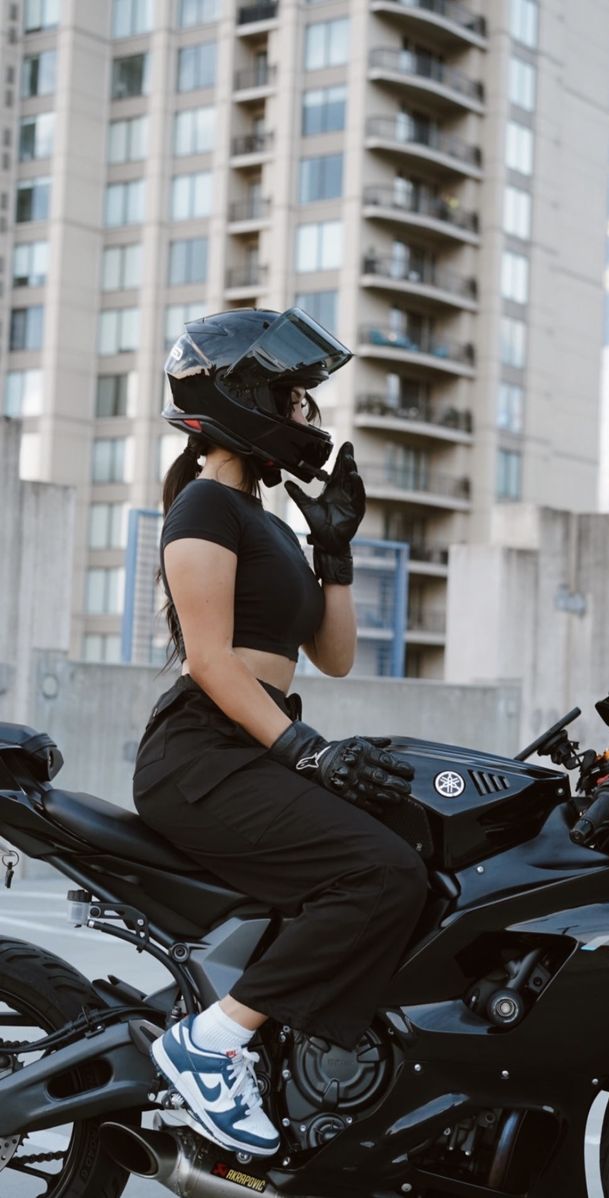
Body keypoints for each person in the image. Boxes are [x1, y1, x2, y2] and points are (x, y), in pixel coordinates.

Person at [133, 307, 428, 1158]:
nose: (309, 417)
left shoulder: (268, 522)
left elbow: (331, 657)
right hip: (204, 753)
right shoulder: (202, 507)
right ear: (243, 399)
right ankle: (210, 1042)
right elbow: (212, 664)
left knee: (412, 850)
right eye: (295, 399)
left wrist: (333, 553)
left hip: (254, 741)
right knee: (379, 874)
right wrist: (308, 753)